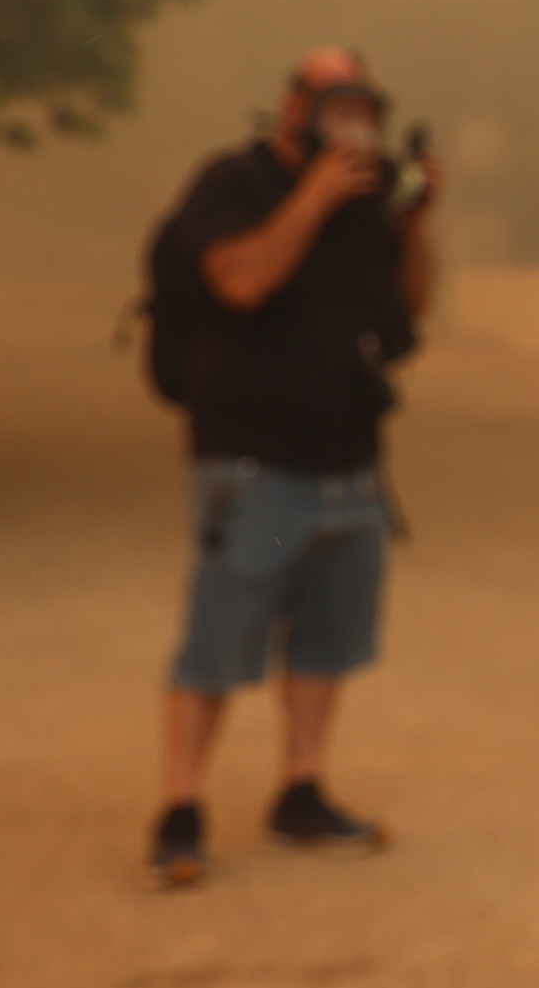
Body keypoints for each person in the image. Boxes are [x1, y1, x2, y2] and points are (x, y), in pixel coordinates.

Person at [144, 47, 441, 888]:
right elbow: (238, 280)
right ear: (293, 111)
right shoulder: (232, 183)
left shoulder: (366, 206)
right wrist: (311, 196)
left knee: (327, 639)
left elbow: (409, 310)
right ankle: (180, 808)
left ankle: (300, 788)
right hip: (251, 457)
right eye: (337, 108)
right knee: (218, 638)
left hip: (351, 458)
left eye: (365, 112)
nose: (354, 127)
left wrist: (413, 220)